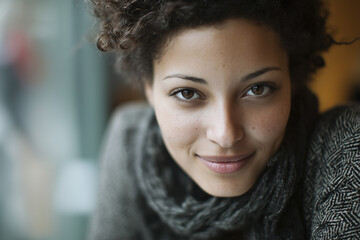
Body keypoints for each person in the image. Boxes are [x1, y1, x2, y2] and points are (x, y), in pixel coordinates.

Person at [88, 0, 360, 239]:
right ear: (148, 89)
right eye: (188, 92)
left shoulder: (344, 147)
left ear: (291, 79)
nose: (226, 134)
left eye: (258, 89)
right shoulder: (132, 146)